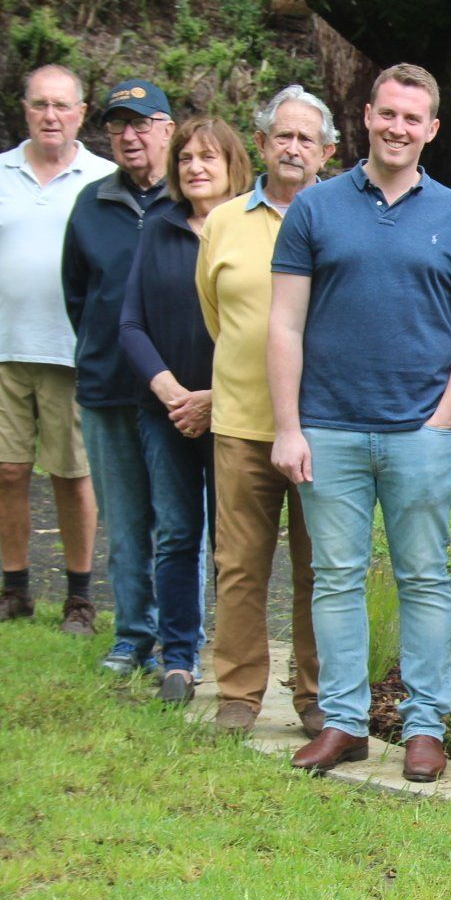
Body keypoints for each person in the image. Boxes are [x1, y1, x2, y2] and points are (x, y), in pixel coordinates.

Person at [269, 64, 451, 783]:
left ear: (431, 129)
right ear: (366, 117)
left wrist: (442, 422)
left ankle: (425, 728)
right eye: (388, 114)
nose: (399, 128)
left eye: (414, 118)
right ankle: (344, 722)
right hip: (328, 426)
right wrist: (288, 425)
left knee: (424, 578)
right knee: (334, 577)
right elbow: (284, 323)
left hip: (417, 433)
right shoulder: (314, 208)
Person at [198, 84, 337, 735]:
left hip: (326, 427)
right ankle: (238, 691)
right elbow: (216, 312)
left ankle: (314, 695)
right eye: (282, 134)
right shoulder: (223, 222)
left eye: (306, 137)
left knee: (322, 569)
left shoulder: (342, 217)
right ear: (260, 143)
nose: (293, 146)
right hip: (242, 425)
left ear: (328, 151)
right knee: (240, 564)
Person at [0, 64, 113, 631]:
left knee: (73, 475)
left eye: (62, 106)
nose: (51, 116)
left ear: (81, 111)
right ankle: (15, 589)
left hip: (73, 351)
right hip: (1, 346)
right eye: (40, 104)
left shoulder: (104, 179)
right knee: (5, 470)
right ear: (25, 108)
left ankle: (79, 597)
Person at [118, 117, 251, 704]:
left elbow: (266, 326)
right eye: (186, 158)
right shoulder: (159, 228)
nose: (195, 167)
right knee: (176, 533)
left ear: (233, 166)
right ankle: (178, 657)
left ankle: (233, 660)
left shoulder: (254, 228)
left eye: (208, 158)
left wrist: (214, 398)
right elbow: (130, 322)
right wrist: (172, 392)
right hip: (167, 411)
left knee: (234, 544)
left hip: (237, 411)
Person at [63, 79, 176, 675]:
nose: (130, 136)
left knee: (181, 524)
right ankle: (133, 635)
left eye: (141, 122)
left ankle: (182, 639)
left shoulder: (191, 199)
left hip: (178, 393)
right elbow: (78, 296)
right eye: (118, 126)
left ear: (167, 129)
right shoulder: (91, 203)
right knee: (126, 522)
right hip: (108, 387)